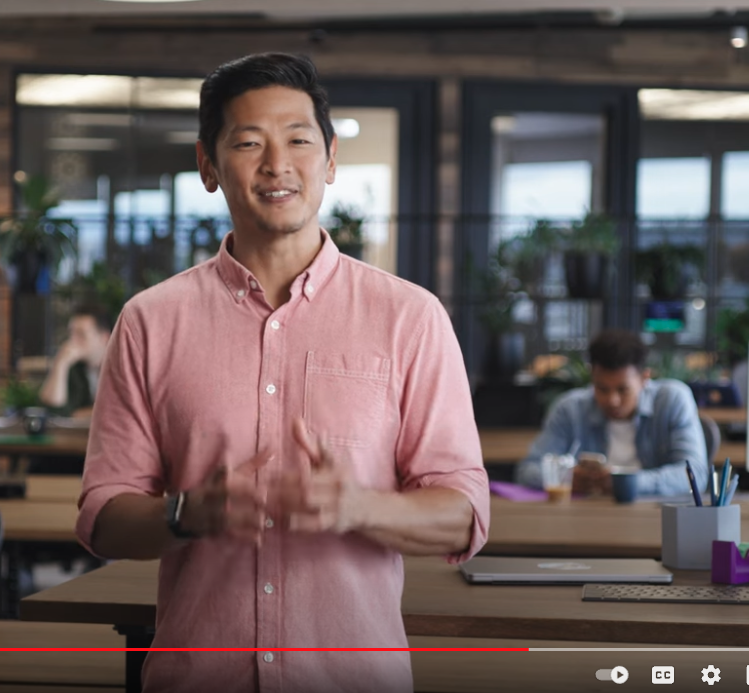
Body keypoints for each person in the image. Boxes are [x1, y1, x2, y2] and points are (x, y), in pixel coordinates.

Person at [76, 53, 489, 692]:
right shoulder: (150, 322)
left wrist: (358, 506)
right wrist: (187, 513)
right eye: (248, 143)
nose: (278, 164)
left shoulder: (410, 317)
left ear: (329, 160)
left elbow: (465, 514)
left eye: (299, 140)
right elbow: (102, 516)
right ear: (208, 166)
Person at [515, 329, 709, 497]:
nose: (612, 400)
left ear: (644, 378)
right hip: (586, 517)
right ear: (592, 377)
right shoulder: (570, 409)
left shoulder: (672, 399)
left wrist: (625, 482)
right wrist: (567, 477)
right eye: (602, 389)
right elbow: (528, 470)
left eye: (623, 390)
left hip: (652, 517)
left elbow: (695, 475)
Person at [38, 304, 112, 418]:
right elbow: (51, 411)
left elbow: (119, 413)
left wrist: (78, 414)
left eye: (81, 334)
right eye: (71, 333)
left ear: (104, 338)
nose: (72, 340)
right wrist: (60, 364)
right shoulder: (74, 368)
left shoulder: (121, 367)